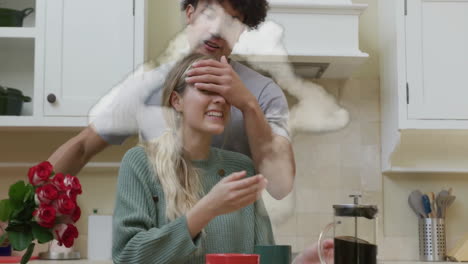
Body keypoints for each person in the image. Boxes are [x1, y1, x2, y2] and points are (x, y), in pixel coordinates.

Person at [48, 0, 295, 201]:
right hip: (163, 239)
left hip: (234, 242)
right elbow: (81, 148)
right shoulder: (146, 88)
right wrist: (21, 208)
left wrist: (248, 104)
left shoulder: (263, 93)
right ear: (190, 13)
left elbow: (281, 187)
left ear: (241, 31)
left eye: (232, 21)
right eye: (209, 13)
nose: (217, 29)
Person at [112, 53, 334, 264]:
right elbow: (127, 255)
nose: (220, 100)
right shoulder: (140, 162)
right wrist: (208, 208)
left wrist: (301, 262)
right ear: (176, 101)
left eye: (225, 93)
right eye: (207, 89)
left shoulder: (241, 167)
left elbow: (262, 257)